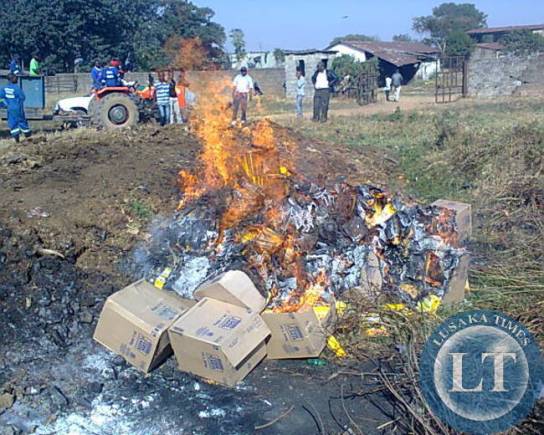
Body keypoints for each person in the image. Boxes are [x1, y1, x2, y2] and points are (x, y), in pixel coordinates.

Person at [0, 74, 31, 143]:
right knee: (22, 122)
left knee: (13, 123)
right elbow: (23, 97)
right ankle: (28, 138)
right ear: (12, 79)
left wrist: (3, 105)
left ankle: (17, 141)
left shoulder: (3, 88)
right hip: (18, 108)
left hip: (9, 108)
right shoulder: (17, 88)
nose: (17, 79)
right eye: (16, 78)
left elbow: (0, 98)